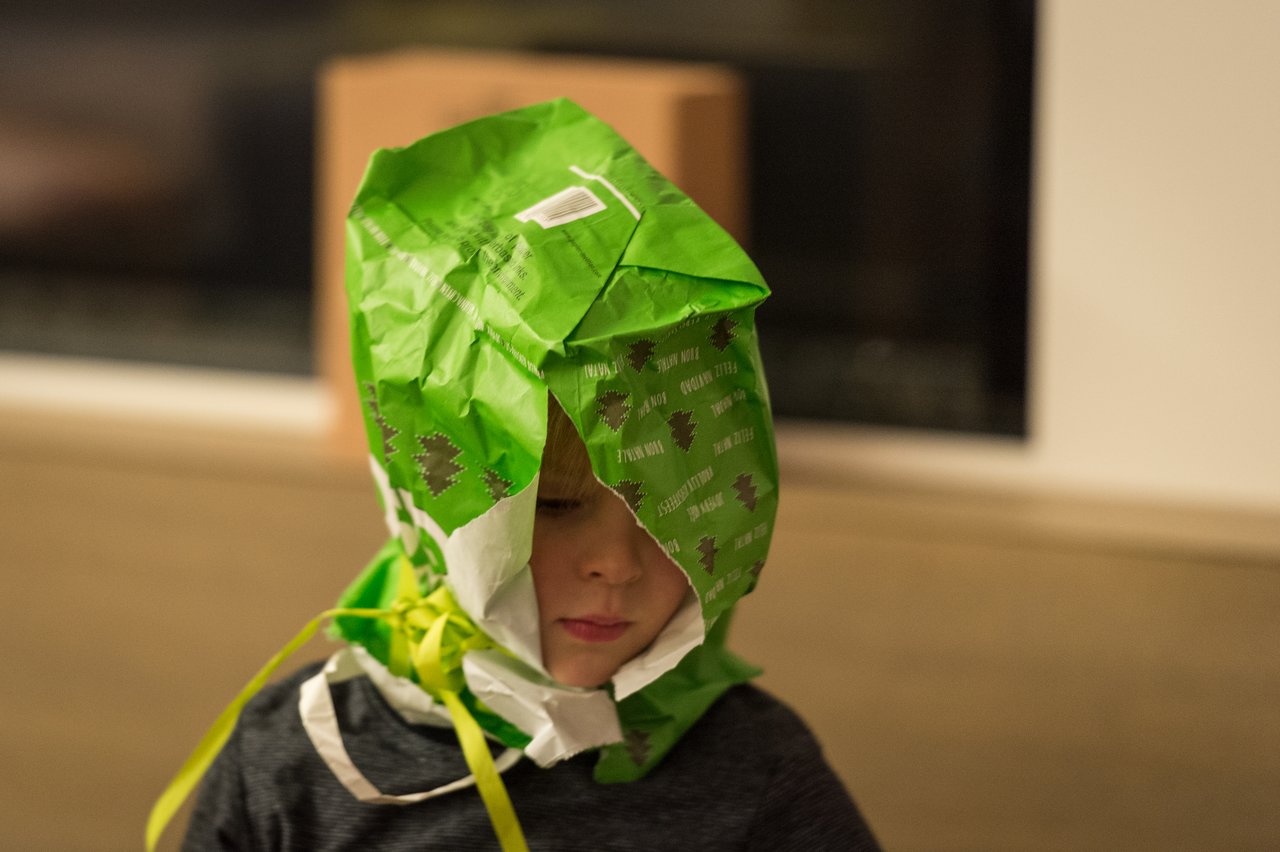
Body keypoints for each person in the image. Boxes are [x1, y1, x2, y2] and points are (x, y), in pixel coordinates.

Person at [156, 98, 880, 851]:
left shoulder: (755, 773)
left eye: (670, 513)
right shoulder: (300, 758)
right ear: (444, 508)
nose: (616, 566)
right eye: (558, 506)